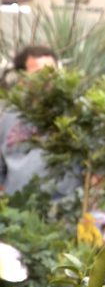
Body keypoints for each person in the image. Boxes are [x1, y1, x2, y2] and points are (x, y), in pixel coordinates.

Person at [0, 46, 78, 197]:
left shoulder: (74, 114)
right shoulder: (9, 115)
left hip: (63, 213)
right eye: (40, 75)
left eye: (52, 74)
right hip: (16, 213)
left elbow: (96, 170)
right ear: (22, 79)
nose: (48, 80)